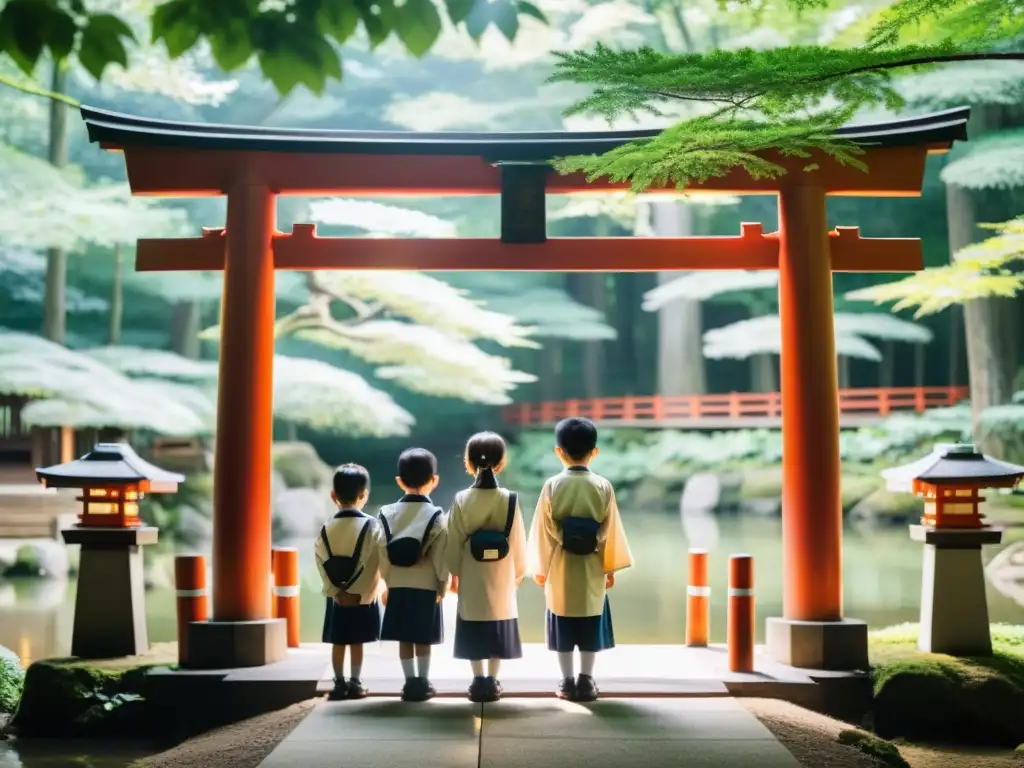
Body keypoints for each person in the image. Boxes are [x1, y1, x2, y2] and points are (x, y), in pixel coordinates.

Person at [527, 417, 633, 702]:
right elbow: (610, 529)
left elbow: (543, 529)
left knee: (562, 622)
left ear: (558, 451)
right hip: (592, 564)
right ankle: (587, 681)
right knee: (589, 622)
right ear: (594, 451)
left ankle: (566, 681)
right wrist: (609, 567)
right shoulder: (602, 486)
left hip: (560, 564)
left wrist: (539, 567)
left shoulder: (552, 485)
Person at [444, 431, 527, 703]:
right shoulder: (509, 499)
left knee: (473, 620)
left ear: (468, 463)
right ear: (501, 463)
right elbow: (517, 541)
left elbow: (453, 540)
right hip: (501, 572)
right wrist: (518, 573)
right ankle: (493, 681)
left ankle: (477, 680)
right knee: (498, 621)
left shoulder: (461, 499)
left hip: (471, 571)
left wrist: (453, 574)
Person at [377, 447, 449, 702]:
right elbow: (442, 555)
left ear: (399, 481)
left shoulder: (386, 513)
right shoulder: (437, 515)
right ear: (434, 480)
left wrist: (385, 584)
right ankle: (424, 682)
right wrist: (442, 584)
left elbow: (381, 553)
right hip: (426, 584)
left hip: (397, 583)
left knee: (404, 638)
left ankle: (408, 683)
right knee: (423, 637)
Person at [314, 463, 384, 701]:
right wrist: (364, 594)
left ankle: (339, 682)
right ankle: (355, 682)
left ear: (333, 496)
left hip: (337, 598)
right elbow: (374, 562)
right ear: (364, 495)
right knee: (356, 643)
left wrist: (335, 591)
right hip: (361, 598)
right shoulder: (372, 526)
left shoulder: (326, 528)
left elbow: (321, 562)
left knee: (338, 641)